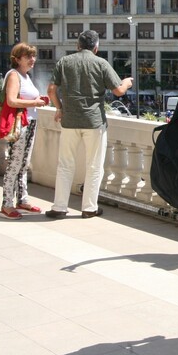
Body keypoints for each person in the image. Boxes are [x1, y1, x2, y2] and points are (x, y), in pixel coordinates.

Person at [46, 30, 133, 219]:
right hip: (94, 122)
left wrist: (59, 108)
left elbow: (51, 90)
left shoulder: (64, 62)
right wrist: (126, 83)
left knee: (65, 164)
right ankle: (89, 207)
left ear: (77, 45)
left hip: (69, 121)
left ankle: (59, 207)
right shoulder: (100, 63)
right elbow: (118, 91)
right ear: (96, 47)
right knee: (94, 165)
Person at [0, 43, 51, 219]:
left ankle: (22, 199)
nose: (32, 59)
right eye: (28, 56)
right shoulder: (14, 75)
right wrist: (35, 103)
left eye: (33, 56)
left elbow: (24, 98)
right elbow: (12, 101)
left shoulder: (25, 76)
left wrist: (38, 99)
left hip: (29, 122)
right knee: (15, 163)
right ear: (17, 59)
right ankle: (7, 204)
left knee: (24, 163)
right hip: (19, 124)